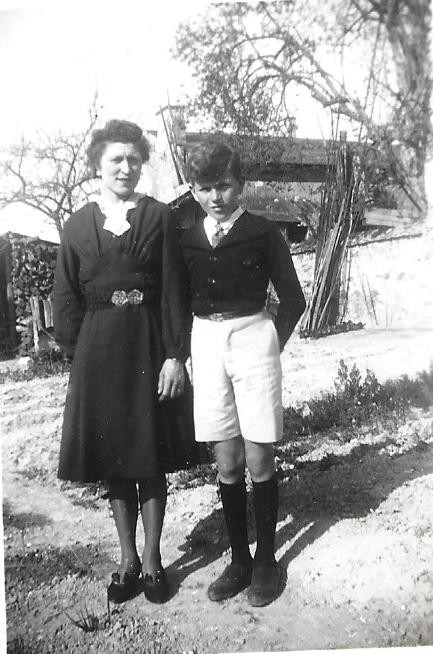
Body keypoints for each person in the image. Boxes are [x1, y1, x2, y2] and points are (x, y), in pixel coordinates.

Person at [52, 119, 199, 605]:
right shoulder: (77, 225)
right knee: (116, 461)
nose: (125, 167)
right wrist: (80, 355)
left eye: (134, 159)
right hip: (99, 357)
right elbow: (65, 297)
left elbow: (175, 289)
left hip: (149, 347)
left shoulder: (159, 217)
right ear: (97, 164)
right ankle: (127, 560)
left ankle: (153, 561)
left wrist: (175, 355)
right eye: (116, 158)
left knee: (149, 456)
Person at [180, 140, 306, 607]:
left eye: (225, 186)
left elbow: (293, 299)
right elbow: (177, 299)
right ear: (193, 190)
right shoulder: (187, 238)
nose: (216, 197)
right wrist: (182, 349)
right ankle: (239, 559)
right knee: (228, 460)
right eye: (205, 188)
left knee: (259, 457)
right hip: (206, 343)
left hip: (254, 338)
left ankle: (267, 560)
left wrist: (271, 342)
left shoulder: (263, 232)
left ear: (241, 185)